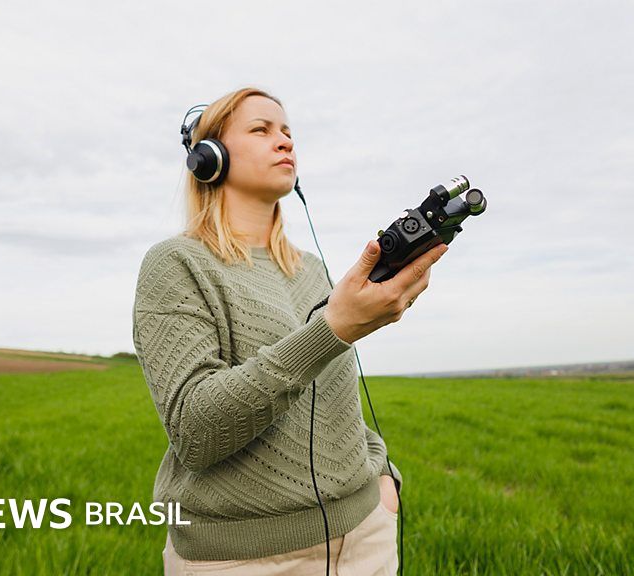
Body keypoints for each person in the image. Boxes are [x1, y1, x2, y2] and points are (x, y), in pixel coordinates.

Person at [131, 86, 449, 575]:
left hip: (366, 537)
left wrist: (385, 481)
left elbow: (339, 402)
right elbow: (193, 431)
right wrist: (332, 328)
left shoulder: (313, 270)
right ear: (208, 158)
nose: (284, 142)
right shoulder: (176, 264)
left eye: (287, 132)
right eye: (260, 130)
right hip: (243, 560)